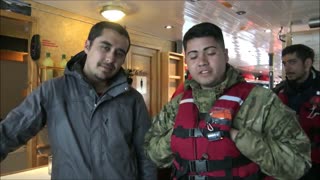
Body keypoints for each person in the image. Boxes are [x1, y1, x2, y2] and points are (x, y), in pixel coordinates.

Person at [144, 22, 311, 180]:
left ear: (225, 55)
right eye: (193, 56)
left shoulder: (261, 101)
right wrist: (178, 137)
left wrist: (238, 137)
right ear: (186, 61)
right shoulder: (177, 105)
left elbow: (299, 163)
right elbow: (151, 152)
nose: (202, 62)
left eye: (210, 53)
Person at [0, 21, 157, 180]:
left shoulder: (133, 100)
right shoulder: (53, 91)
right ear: (87, 46)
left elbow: (146, 156)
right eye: (105, 47)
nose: (111, 58)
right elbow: (9, 132)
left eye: (119, 53)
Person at [273, 44, 320, 180]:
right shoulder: (279, 92)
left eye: (292, 62)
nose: (287, 68)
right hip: (287, 163)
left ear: (307, 63)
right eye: (284, 63)